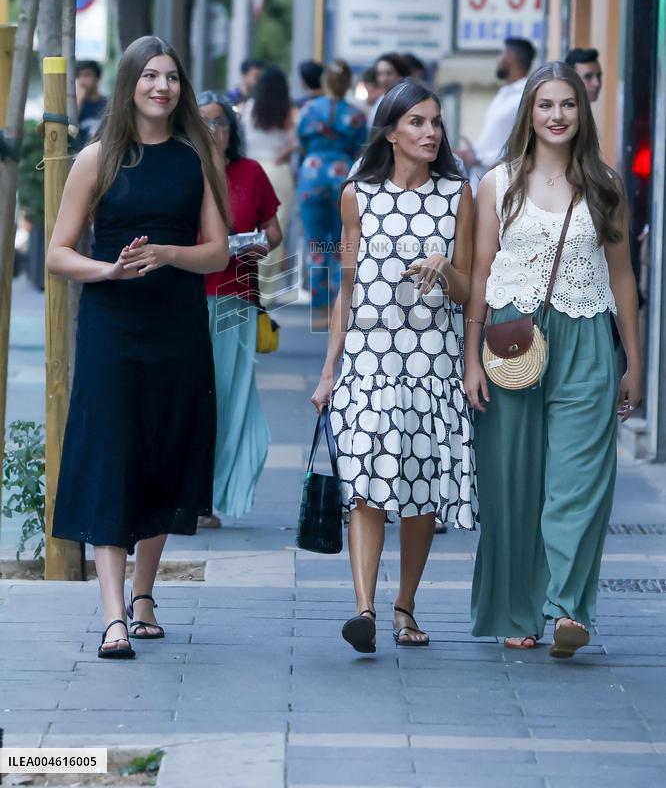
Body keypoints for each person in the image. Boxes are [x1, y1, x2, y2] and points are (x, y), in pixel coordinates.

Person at [48, 35, 229, 660]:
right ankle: (113, 616)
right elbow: (57, 251)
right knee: (111, 455)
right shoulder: (97, 158)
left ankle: (145, 595)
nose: (162, 87)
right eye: (150, 76)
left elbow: (219, 250)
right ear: (129, 85)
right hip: (111, 325)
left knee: (162, 449)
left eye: (172, 77)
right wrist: (110, 271)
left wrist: (169, 254)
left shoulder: (194, 157)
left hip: (175, 324)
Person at [464, 61, 641, 659]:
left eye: (568, 104)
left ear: (581, 112)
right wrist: (470, 360)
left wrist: (633, 363)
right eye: (546, 105)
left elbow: (622, 279)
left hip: (589, 339)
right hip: (511, 341)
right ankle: (517, 609)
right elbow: (481, 276)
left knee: (579, 479)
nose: (557, 115)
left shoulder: (605, 183)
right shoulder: (498, 183)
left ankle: (567, 608)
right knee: (513, 483)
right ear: (529, 114)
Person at [312, 79, 477, 653]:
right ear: (390, 131)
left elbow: (469, 290)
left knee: (421, 487)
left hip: (433, 359)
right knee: (365, 484)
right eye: (417, 123)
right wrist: (329, 370)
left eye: (435, 122)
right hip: (369, 357)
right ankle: (365, 609)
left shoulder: (458, 194)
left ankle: (405, 606)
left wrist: (444, 267)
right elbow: (347, 286)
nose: (430, 132)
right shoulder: (357, 193)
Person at [196, 92, 282, 527]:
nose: (213, 130)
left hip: (235, 295)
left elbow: (273, 231)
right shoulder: (183, 169)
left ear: (233, 129)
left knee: (226, 397)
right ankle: (183, 493)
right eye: (204, 122)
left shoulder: (250, 172)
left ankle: (207, 498)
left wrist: (259, 244)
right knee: (190, 395)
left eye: (220, 122)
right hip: (187, 296)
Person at [296, 60, 367, 329]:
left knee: (315, 247)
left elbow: (302, 141)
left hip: (312, 176)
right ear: (348, 83)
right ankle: (340, 309)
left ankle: (320, 309)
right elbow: (361, 148)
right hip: (342, 178)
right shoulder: (356, 115)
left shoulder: (308, 109)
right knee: (343, 246)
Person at [242, 64, 297, 287]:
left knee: (249, 229)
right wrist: (283, 153)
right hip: (278, 171)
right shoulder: (287, 110)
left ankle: (247, 282)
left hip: (252, 170)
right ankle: (265, 290)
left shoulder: (249, 107)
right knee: (275, 232)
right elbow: (296, 140)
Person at [457, 37, 536, 192]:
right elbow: (495, 140)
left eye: (502, 54)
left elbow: (522, 148)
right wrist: (472, 154)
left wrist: (479, 158)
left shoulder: (524, 96)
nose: (498, 59)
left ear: (511, 56)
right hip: (482, 182)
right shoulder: (505, 93)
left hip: (505, 187)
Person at [368, 52, 411, 126]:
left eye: (389, 73)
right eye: (380, 73)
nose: (384, 79)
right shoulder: (381, 99)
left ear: (400, 75)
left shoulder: (406, 102)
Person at [75, 60, 108, 145]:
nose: (82, 81)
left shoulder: (108, 104)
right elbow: (68, 127)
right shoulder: (75, 104)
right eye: (79, 76)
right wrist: (78, 101)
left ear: (97, 78)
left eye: (87, 75)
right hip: (78, 155)